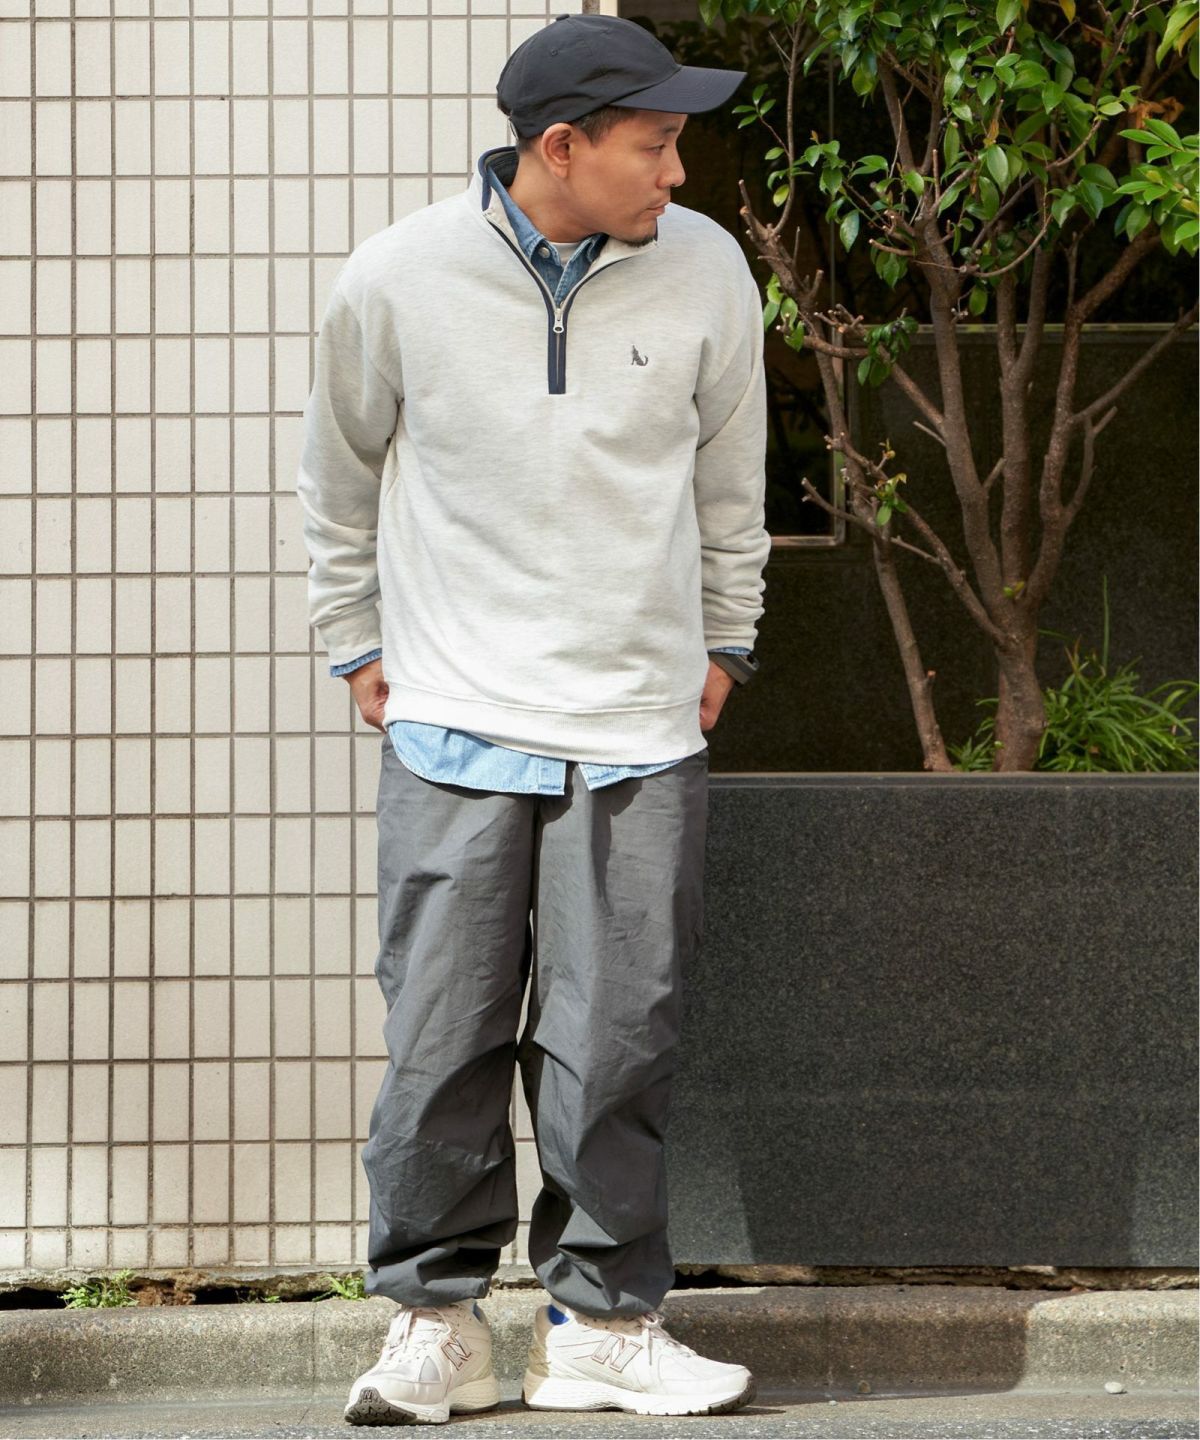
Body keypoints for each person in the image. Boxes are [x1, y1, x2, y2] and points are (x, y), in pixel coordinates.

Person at [295, 11, 771, 1424]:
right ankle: (435, 1323)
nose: (677, 172)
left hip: (637, 725)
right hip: (455, 719)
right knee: (440, 1041)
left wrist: (727, 639)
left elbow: (732, 479)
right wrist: (355, 641)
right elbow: (340, 474)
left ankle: (602, 1327)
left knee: (618, 1042)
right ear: (559, 147)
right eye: (656, 143)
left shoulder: (707, 269)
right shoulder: (398, 277)